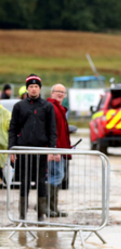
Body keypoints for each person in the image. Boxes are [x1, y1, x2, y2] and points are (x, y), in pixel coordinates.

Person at [9, 74, 57, 221]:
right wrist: (12, 149)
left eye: (36, 87)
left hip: (41, 151)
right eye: (31, 87)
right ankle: (22, 216)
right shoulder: (19, 106)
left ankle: (40, 216)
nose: (34, 89)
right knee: (24, 182)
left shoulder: (47, 106)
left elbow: (52, 130)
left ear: (40, 89)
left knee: (41, 182)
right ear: (27, 88)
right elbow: (12, 129)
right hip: (23, 151)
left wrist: (51, 150)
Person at [46, 84, 72, 217]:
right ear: (52, 93)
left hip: (59, 149)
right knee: (55, 176)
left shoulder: (59, 109)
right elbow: (50, 130)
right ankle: (46, 207)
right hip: (54, 149)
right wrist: (53, 149)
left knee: (56, 176)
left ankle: (52, 208)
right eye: (58, 91)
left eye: (63, 92)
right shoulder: (51, 107)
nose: (60, 94)